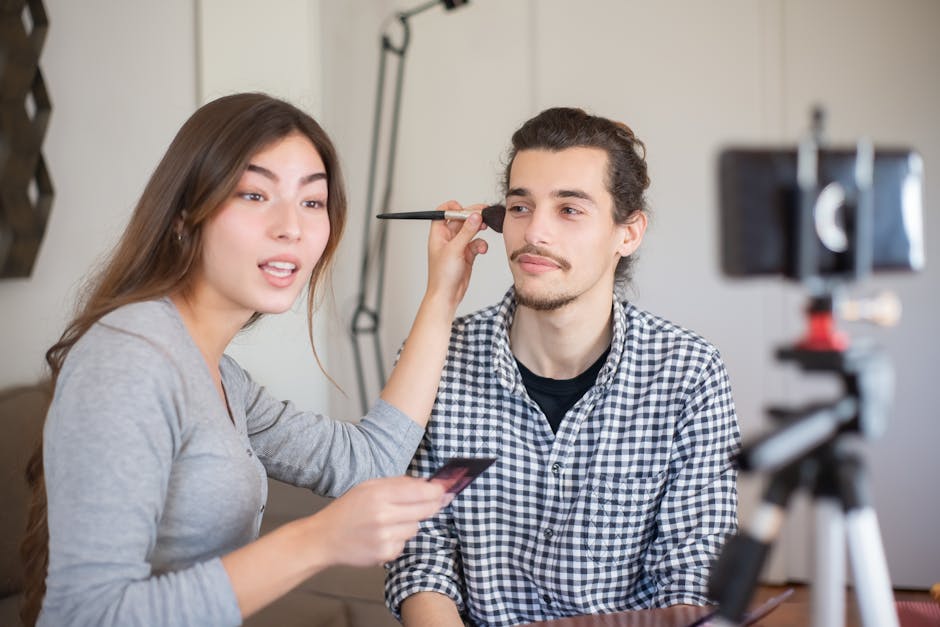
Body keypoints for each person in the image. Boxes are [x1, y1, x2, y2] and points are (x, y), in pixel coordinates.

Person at [19, 92, 491, 627]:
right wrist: (317, 539)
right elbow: (82, 617)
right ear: (181, 216)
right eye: (253, 194)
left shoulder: (221, 377)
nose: (291, 226)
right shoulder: (130, 358)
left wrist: (441, 296)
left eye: (312, 202)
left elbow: (368, 463)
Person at [385, 107, 740, 626]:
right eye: (520, 207)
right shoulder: (435, 363)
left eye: (569, 209)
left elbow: (693, 568)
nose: (536, 234)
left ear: (629, 233)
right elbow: (421, 555)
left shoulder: (690, 374)